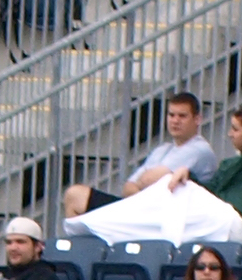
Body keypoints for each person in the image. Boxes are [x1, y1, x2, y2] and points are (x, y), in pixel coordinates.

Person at [65, 92, 216, 218]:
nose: (175, 121)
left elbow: (148, 179)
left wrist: (142, 185)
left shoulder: (200, 149)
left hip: (165, 217)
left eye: (182, 116)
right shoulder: (162, 149)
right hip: (138, 210)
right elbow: (128, 187)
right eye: (171, 115)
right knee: (75, 195)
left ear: (197, 119)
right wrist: (142, 188)